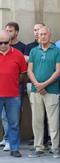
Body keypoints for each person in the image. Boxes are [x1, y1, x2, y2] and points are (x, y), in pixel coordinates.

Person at [27, 26, 60, 158]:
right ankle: (38, 147)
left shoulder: (57, 51)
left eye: (44, 34)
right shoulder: (33, 51)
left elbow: (58, 71)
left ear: (49, 35)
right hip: (36, 91)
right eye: (40, 34)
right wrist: (37, 85)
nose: (42, 36)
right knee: (36, 120)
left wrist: (44, 85)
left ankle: (55, 148)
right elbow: (30, 70)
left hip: (52, 91)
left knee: (53, 121)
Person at [0, 22, 27, 151]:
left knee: (14, 124)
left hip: (13, 95)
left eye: (6, 42)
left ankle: (15, 149)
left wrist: (14, 82)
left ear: (10, 41)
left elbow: (23, 73)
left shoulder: (18, 55)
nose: (3, 45)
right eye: (0, 43)